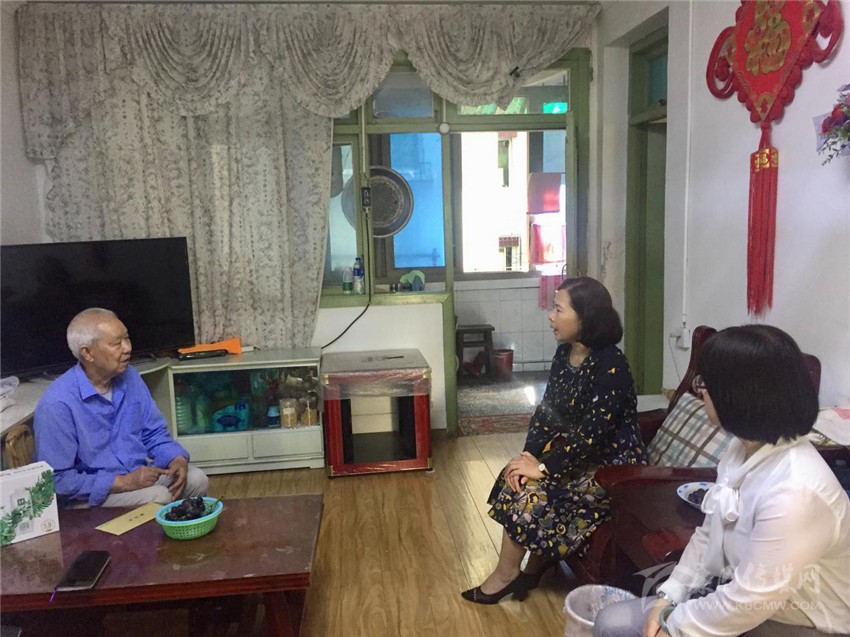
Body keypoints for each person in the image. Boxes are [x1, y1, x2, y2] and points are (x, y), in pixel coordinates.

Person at [594, 325, 850, 637]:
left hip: (803, 622)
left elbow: (748, 603)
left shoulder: (795, 492)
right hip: (741, 597)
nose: (700, 390)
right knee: (613, 621)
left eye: (705, 382)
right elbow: (707, 534)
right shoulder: (741, 449)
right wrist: (669, 596)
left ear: (739, 395)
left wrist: (674, 623)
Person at [461, 276, 647, 604]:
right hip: (576, 456)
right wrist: (528, 456)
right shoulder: (565, 354)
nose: (551, 316)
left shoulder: (611, 365)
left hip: (611, 469)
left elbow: (592, 436)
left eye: (559, 309)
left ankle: (507, 576)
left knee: (530, 494)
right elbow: (547, 413)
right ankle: (534, 566)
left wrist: (544, 468)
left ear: (586, 317)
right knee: (514, 475)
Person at [34, 308, 209, 508]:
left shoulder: (130, 377)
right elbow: (56, 480)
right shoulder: (57, 404)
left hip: (137, 478)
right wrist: (122, 482)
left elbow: (154, 432)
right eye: (117, 343)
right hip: (89, 497)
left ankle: (178, 525)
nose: (127, 348)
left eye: (127, 338)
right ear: (87, 353)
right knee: (159, 496)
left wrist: (175, 458)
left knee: (197, 480)